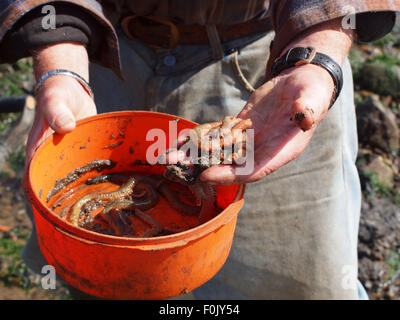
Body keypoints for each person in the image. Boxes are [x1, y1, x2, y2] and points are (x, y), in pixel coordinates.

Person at [0, 1, 398, 299]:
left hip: (271, 66)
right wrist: (61, 56)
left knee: (300, 284)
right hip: (103, 51)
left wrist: (316, 56)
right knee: (105, 276)